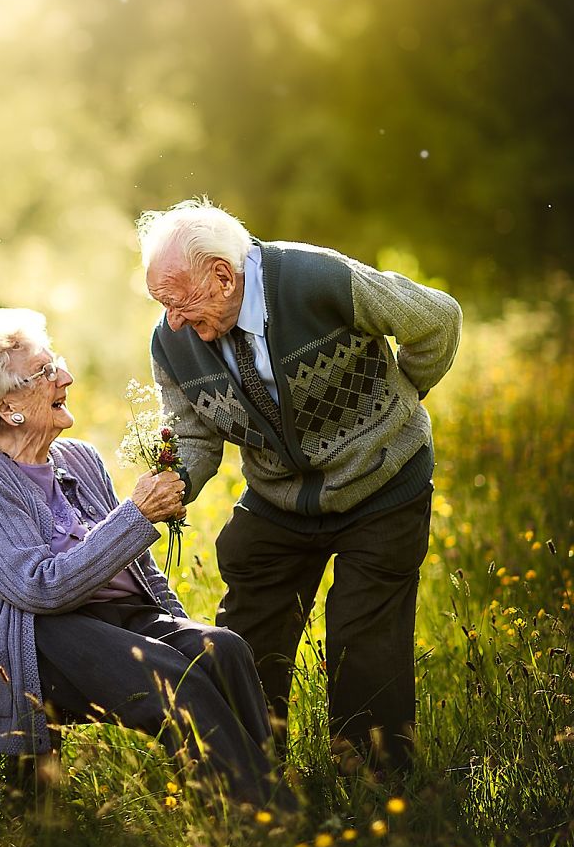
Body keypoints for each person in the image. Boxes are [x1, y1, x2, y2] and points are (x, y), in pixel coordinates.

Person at [137, 199, 463, 773]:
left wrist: (396, 400)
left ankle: (373, 776)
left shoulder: (316, 278)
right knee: (248, 619)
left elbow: (437, 318)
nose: (174, 321)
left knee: (364, 636)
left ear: (222, 275)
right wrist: (176, 480)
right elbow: (192, 433)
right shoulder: (173, 342)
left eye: (176, 300)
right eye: (161, 304)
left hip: (382, 482)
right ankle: (247, 765)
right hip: (281, 497)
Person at [0, 306, 289, 807]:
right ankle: (269, 820)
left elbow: (136, 565)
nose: (66, 376)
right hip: (42, 641)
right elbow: (39, 588)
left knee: (221, 649)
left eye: (56, 362)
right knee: (172, 679)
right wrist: (136, 515)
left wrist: (180, 627)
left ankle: (247, 798)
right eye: (45, 372)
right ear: (6, 404)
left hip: (122, 620)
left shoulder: (79, 457)